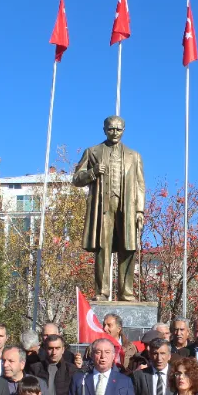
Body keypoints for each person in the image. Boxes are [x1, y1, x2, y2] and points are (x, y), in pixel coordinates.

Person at [73, 115, 146, 301]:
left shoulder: (134, 156)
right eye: (111, 129)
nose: (115, 132)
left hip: (126, 208)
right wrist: (92, 172)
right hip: (102, 208)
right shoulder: (92, 151)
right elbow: (76, 179)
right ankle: (102, 292)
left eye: (119, 129)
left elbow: (139, 185)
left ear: (124, 130)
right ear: (104, 129)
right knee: (102, 249)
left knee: (128, 248)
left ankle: (126, 291)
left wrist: (140, 211)